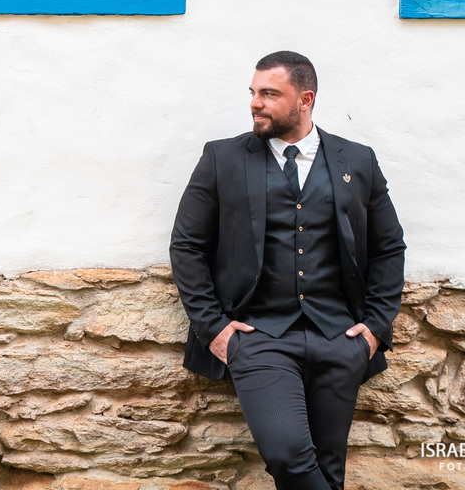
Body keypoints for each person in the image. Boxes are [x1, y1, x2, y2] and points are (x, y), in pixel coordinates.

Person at [169, 52, 405, 490]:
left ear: (305, 99)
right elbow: (187, 245)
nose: (256, 103)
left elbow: (389, 247)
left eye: (269, 94)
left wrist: (374, 327)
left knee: (328, 468)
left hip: (340, 338)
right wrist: (215, 329)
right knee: (287, 455)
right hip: (258, 338)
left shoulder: (358, 160)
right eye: (254, 93)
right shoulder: (222, 158)